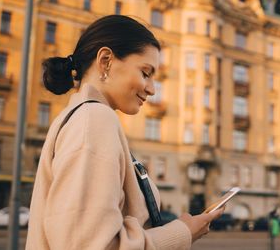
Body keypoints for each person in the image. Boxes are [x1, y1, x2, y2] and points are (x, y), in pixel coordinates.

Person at [25, 15, 224, 250]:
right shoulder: (94, 120)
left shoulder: (79, 116)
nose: (151, 89)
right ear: (106, 60)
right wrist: (182, 233)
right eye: (145, 73)